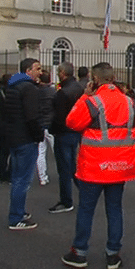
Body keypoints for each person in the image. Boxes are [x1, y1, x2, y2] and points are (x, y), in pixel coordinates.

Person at [61, 62, 135, 269]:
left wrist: (85, 96)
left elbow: (72, 122)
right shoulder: (129, 102)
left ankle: (79, 252)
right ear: (114, 76)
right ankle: (113, 254)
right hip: (120, 165)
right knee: (115, 209)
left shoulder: (93, 102)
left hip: (94, 165)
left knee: (86, 210)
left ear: (95, 79)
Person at [4, 58, 44, 230]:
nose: (40, 72)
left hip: (14, 137)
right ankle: (16, 217)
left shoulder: (12, 86)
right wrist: (38, 135)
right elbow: (32, 117)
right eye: (37, 68)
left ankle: (18, 210)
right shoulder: (29, 89)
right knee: (22, 180)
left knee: (17, 178)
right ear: (28, 70)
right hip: (26, 138)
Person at [49, 62, 84, 214]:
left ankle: (66, 200)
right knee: (72, 166)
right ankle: (84, 191)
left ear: (63, 73)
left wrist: (52, 130)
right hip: (77, 130)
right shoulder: (79, 89)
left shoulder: (62, 93)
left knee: (64, 168)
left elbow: (58, 117)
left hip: (64, 132)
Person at [37, 70, 55, 186]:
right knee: (57, 152)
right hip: (51, 124)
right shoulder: (53, 92)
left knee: (41, 153)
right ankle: (64, 174)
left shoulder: (35, 92)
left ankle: (42, 177)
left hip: (40, 124)